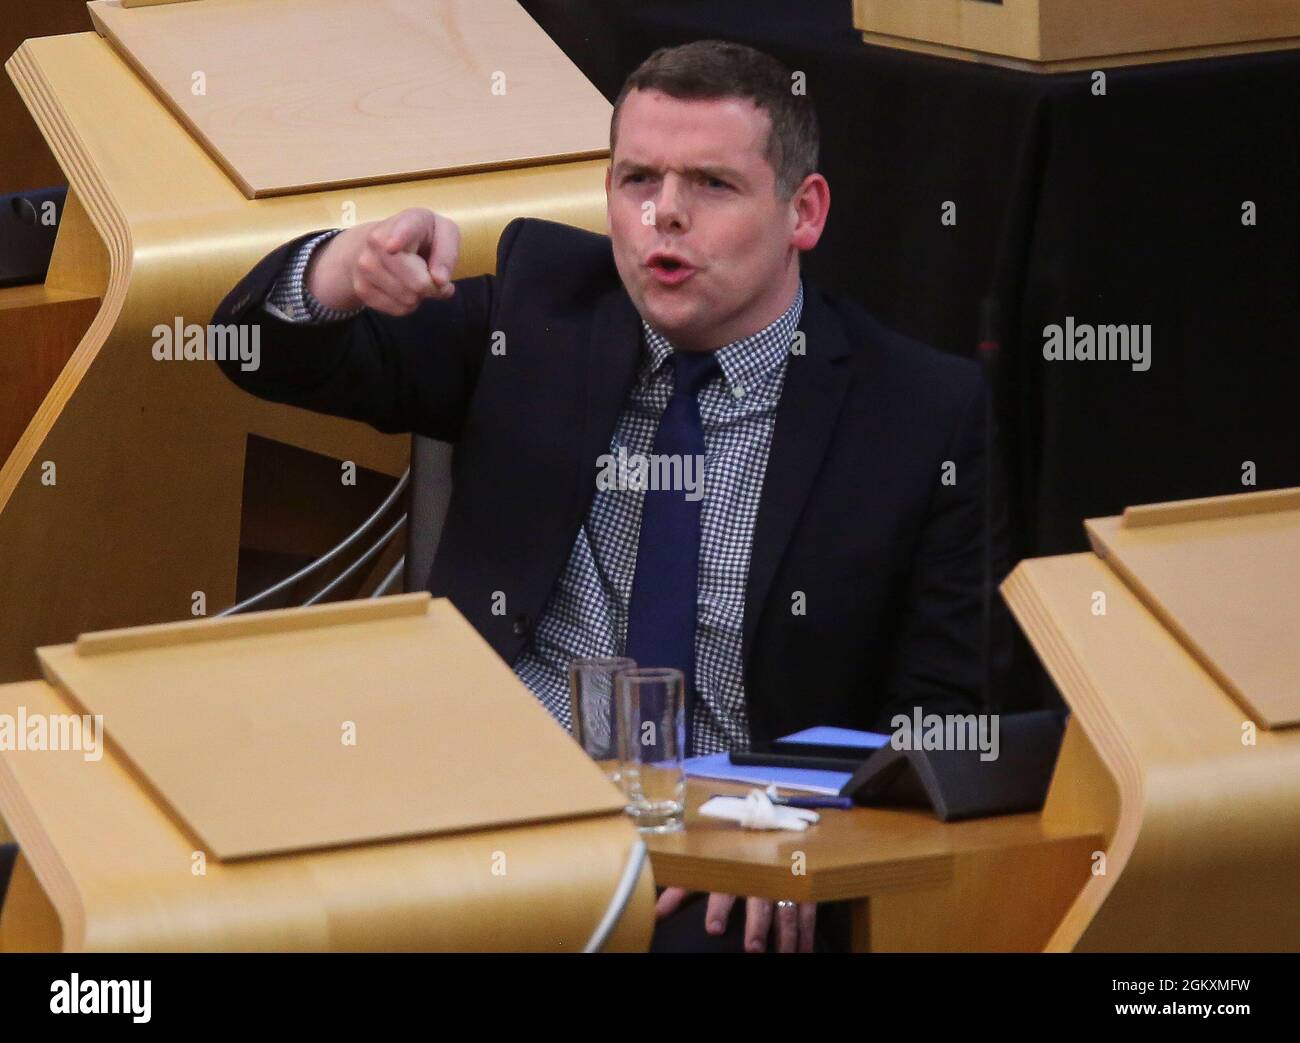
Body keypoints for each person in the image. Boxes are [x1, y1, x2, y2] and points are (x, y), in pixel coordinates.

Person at [213, 39, 1000, 953]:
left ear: (803, 212)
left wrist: (805, 816)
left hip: (733, 835)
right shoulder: (538, 314)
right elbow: (257, 351)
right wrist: (344, 267)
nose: (665, 215)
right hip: (498, 803)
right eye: (637, 181)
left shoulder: (919, 409)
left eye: (711, 184)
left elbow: (944, 715)